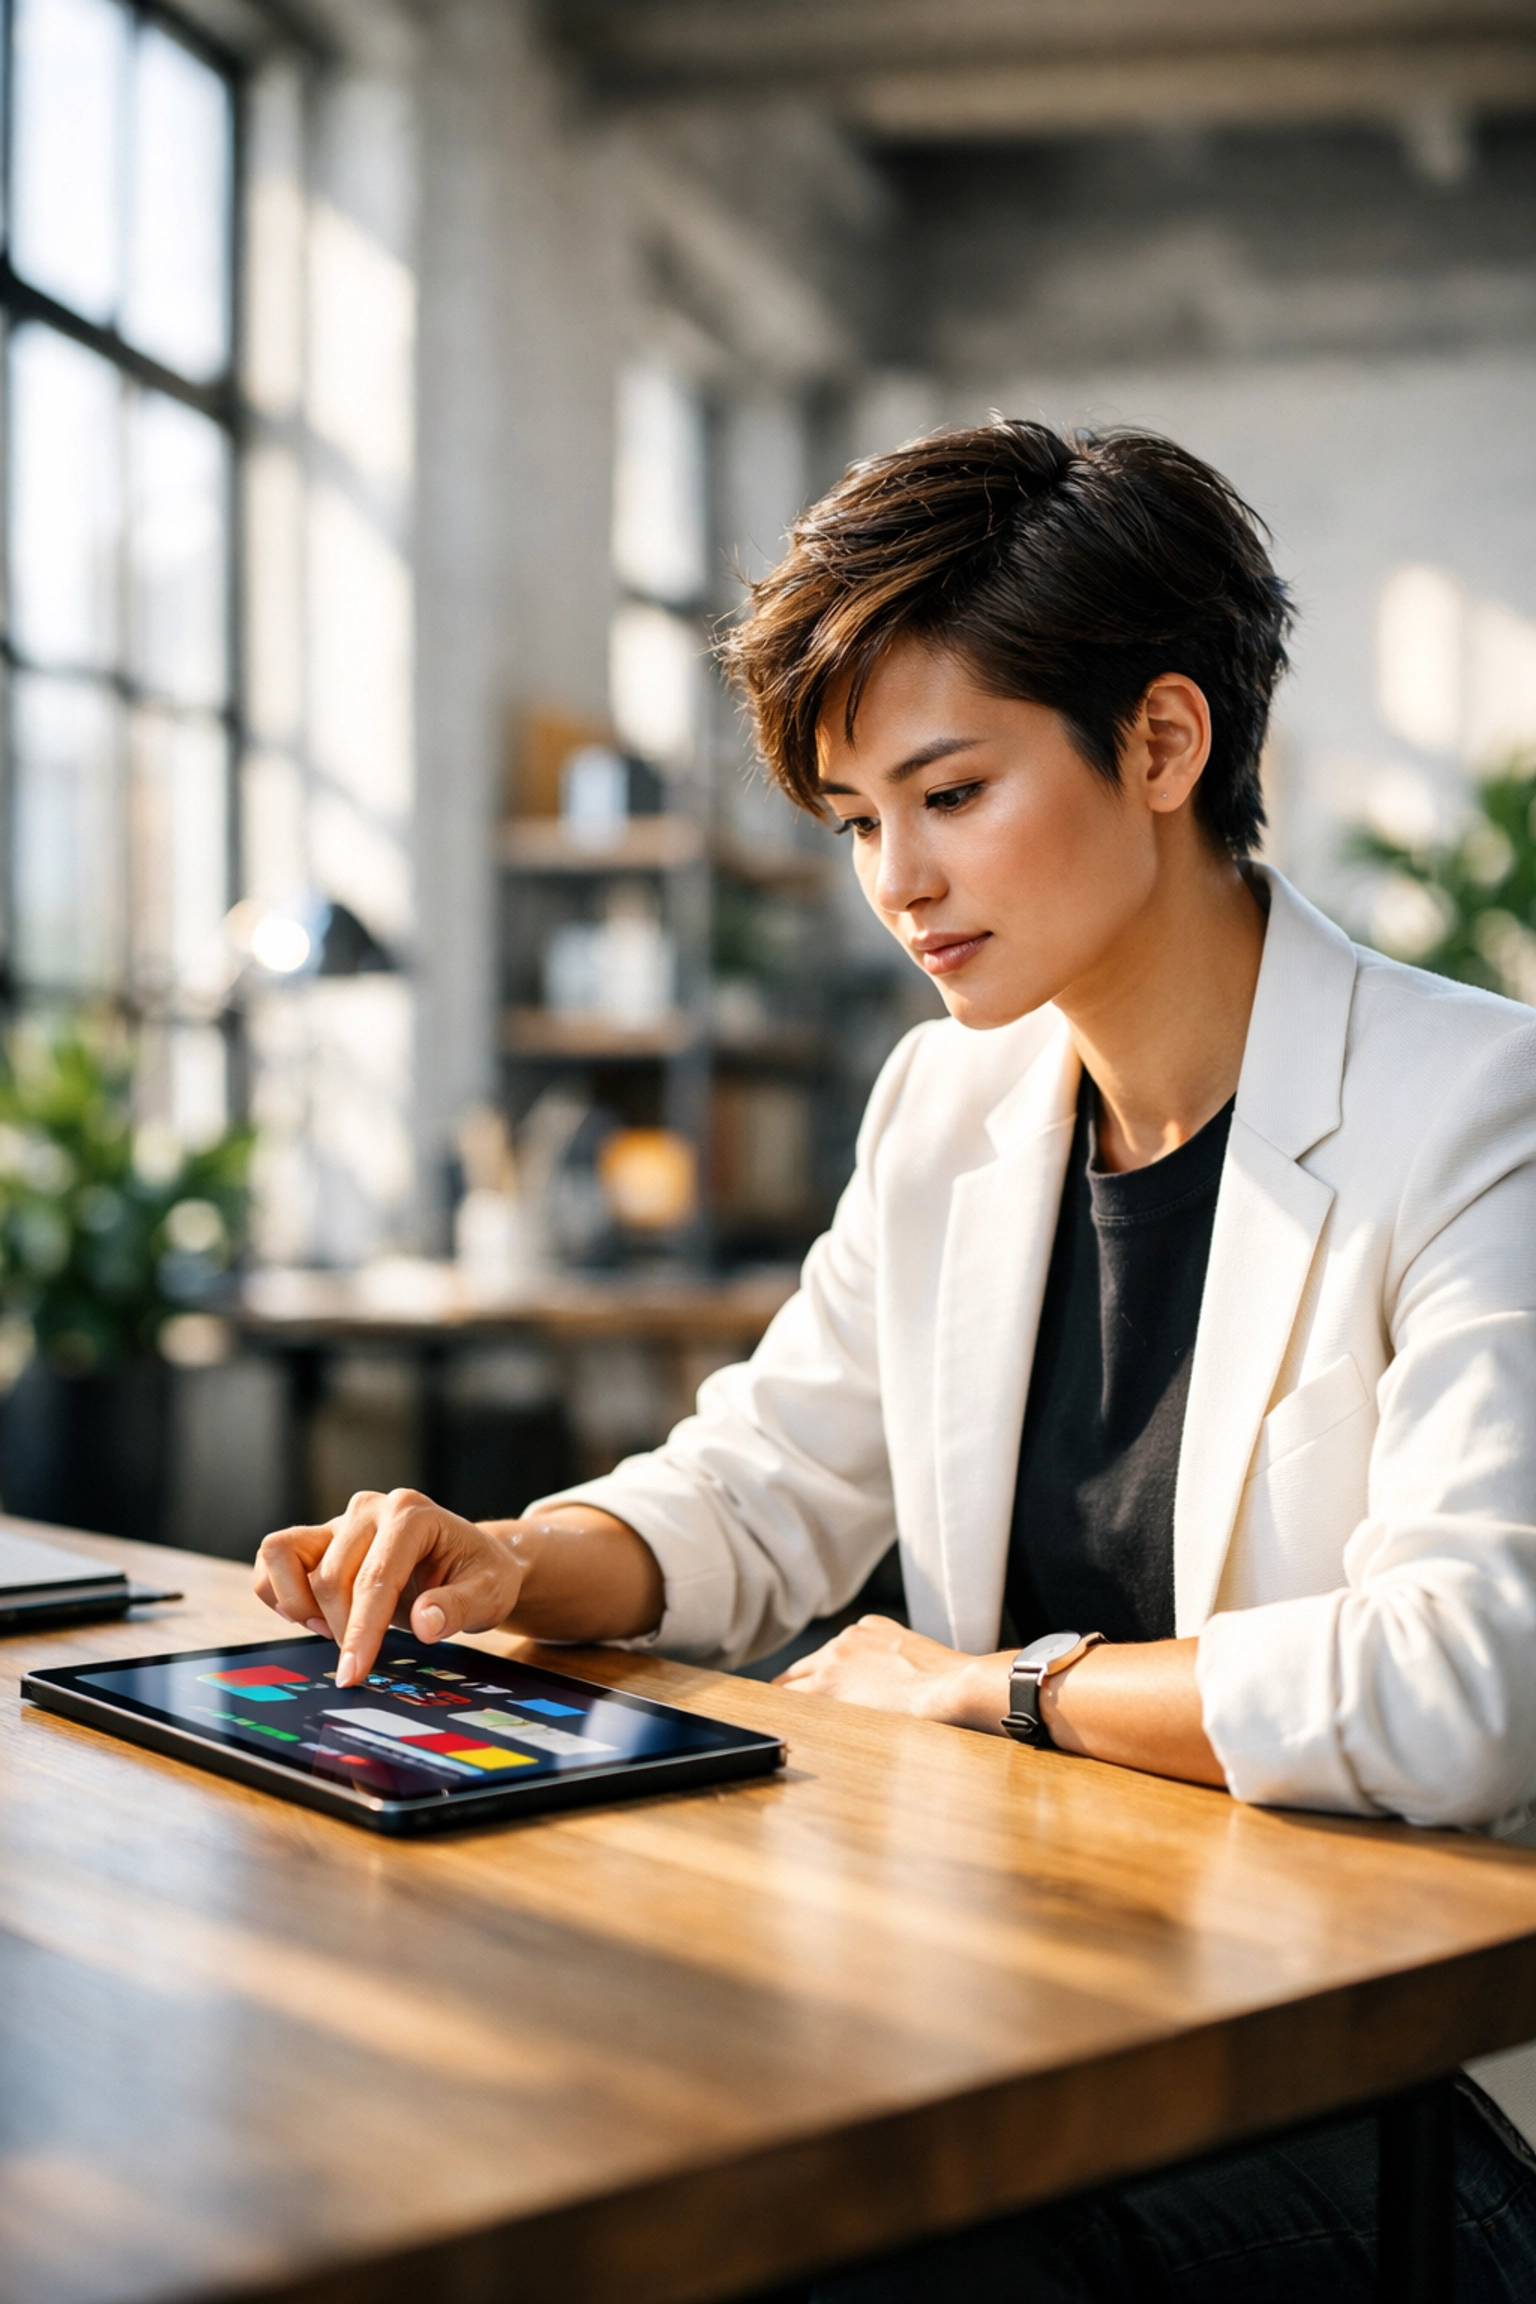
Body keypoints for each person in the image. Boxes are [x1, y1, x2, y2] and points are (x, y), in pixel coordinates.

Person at [255, 421, 1536, 2297]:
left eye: (949, 792)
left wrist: (1005, 1689)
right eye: (859, 821)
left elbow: (1469, 1682)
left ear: (1165, 744)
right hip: (1012, 1998)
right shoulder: (952, 1099)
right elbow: (767, 1483)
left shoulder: (1477, 1111)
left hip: (1379, 2085)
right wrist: (516, 1558)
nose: (896, 882)